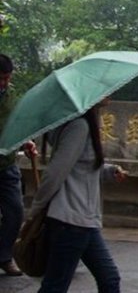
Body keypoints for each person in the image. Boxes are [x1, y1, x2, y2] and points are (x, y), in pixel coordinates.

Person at [26, 98, 126, 292]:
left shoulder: (81, 125)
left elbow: (82, 167)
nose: (110, 93)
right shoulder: (79, 126)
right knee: (55, 286)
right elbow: (56, 172)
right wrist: (36, 209)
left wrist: (110, 171)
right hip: (71, 221)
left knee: (109, 279)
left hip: (83, 220)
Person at [0, 54, 37, 276]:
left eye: (7, 78)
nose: (4, 83)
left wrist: (27, 141)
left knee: (15, 212)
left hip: (6, 164)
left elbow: (19, 125)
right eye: (0, 78)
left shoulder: (13, 96)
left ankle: (4, 256)